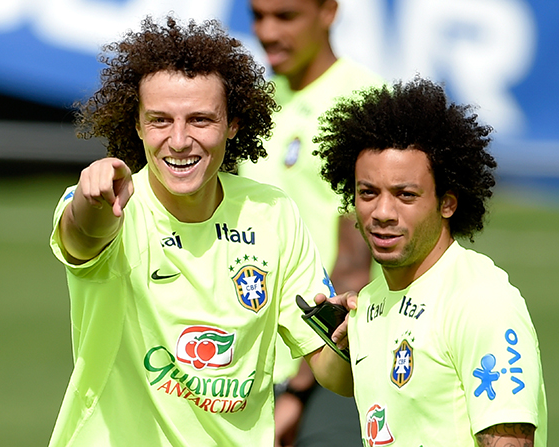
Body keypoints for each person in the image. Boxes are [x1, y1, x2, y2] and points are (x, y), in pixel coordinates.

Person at [48, 15, 351, 447]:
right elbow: (82, 237)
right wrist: (91, 200)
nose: (178, 139)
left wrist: (348, 343)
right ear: (136, 125)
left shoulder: (272, 212)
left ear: (233, 124)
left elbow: (331, 372)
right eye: (159, 120)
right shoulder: (114, 203)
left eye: (200, 120)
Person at [313, 77, 548, 446]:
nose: (382, 212)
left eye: (405, 195)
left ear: (447, 203)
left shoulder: (480, 301)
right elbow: (335, 378)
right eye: (367, 193)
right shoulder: (369, 301)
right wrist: (341, 338)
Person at [239, 1, 384, 445]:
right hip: (244, 358)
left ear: (328, 11)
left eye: (285, 16)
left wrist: (297, 390)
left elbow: (355, 265)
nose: (266, 31)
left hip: (324, 360)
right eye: (258, 15)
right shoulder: (255, 101)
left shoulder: (363, 102)